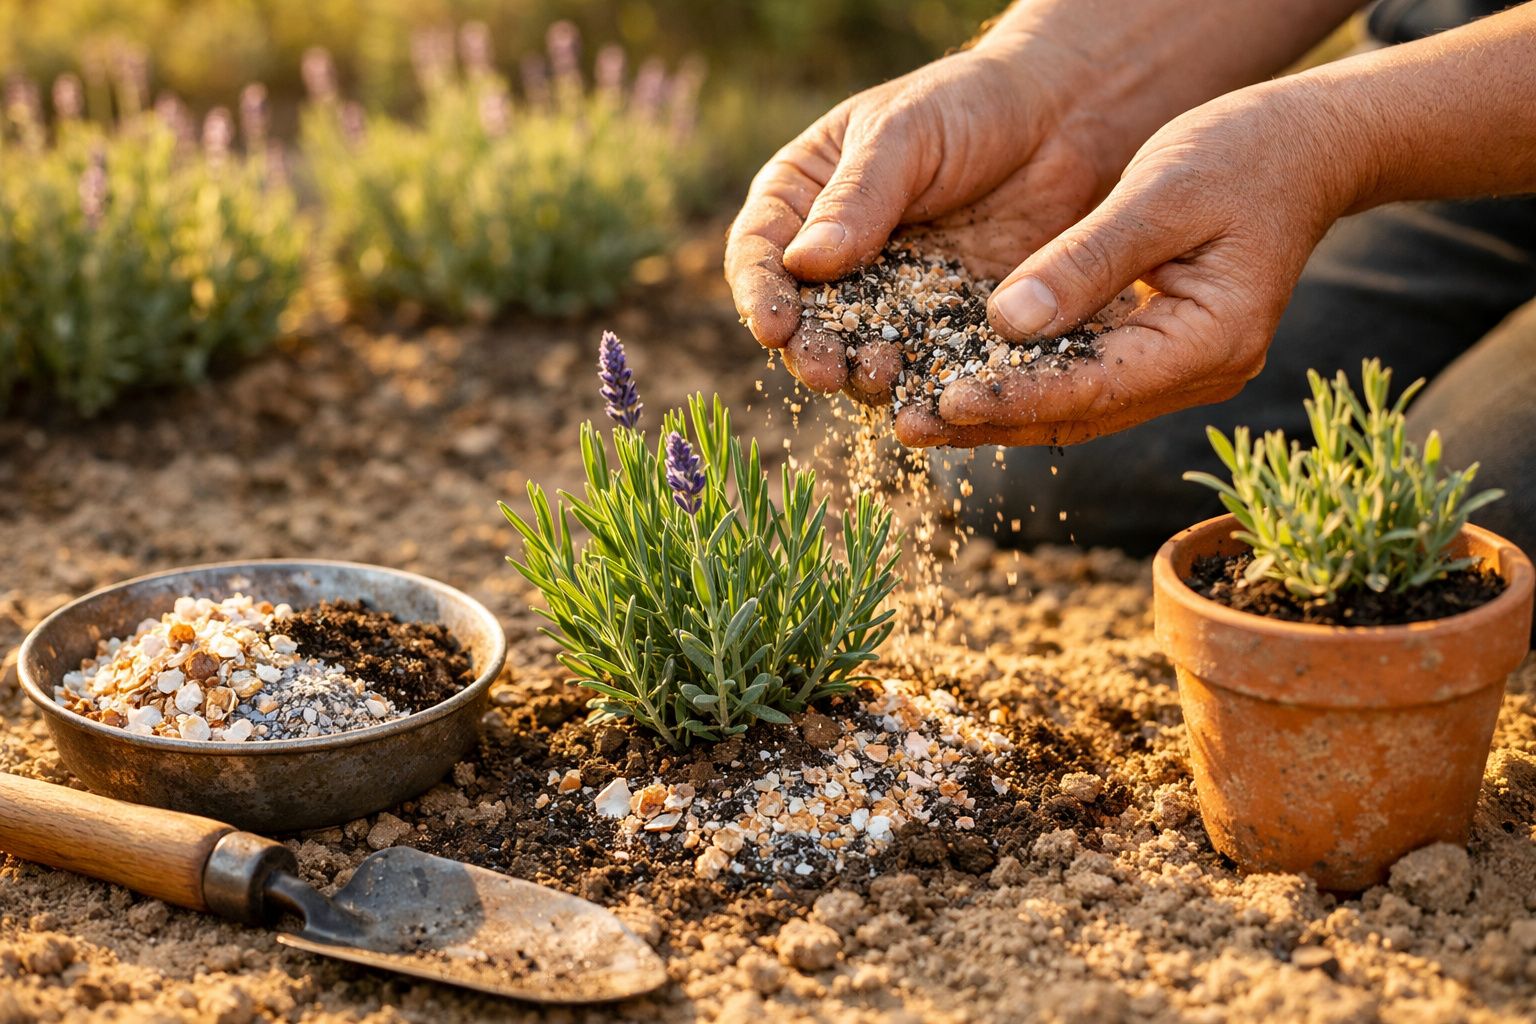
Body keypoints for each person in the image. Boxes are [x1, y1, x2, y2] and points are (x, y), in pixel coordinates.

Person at [724, 0, 1536, 555]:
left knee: (1466, 518)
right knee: (1045, 459)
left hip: (1438, 102)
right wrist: (1048, 81)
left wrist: (1331, 136)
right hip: (1442, 75)